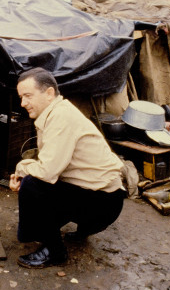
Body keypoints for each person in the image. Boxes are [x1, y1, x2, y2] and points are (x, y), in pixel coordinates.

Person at [9, 68, 126, 269]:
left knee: (32, 185)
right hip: (107, 199)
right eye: (21, 97)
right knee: (40, 181)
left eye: (28, 96)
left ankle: (55, 252)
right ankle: (81, 230)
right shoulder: (57, 112)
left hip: (103, 204)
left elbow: (46, 172)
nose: (23, 103)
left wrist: (21, 169)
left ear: (49, 93)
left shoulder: (60, 117)